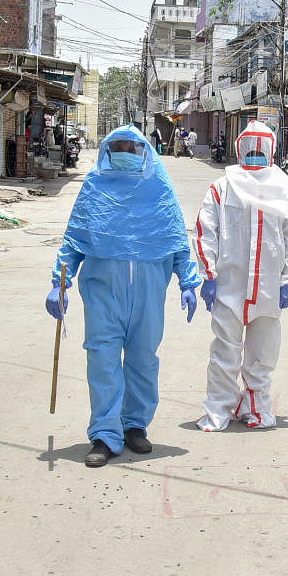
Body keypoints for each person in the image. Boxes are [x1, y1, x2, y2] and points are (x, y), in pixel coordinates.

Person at [45, 125, 202, 467]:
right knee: (102, 360)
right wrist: (60, 282)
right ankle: (105, 433)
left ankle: (134, 425)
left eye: (132, 147)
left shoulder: (158, 187)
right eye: (119, 147)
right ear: (107, 150)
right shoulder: (94, 186)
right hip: (103, 291)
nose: (126, 153)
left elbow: (176, 238)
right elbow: (74, 240)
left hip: (148, 291)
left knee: (143, 360)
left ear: (145, 151)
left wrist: (188, 282)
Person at [194, 122, 288, 431]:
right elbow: (205, 231)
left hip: (269, 287)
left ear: (270, 150)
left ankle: (256, 408)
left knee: (262, 353)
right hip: (230, 284)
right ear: (241, 147)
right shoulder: (222, 186)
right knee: (224, 351)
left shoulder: (285, 189)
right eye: (251, 147)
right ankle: (219, 409)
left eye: (261, 148)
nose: (256, 154)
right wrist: (209, 274)